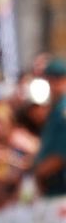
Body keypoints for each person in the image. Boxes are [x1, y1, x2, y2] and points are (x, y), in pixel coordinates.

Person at [33, 57, 66, 197]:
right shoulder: (55, 108)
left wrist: (37, 173)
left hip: (60, 188)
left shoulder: (62, 111)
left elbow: (60, 155)